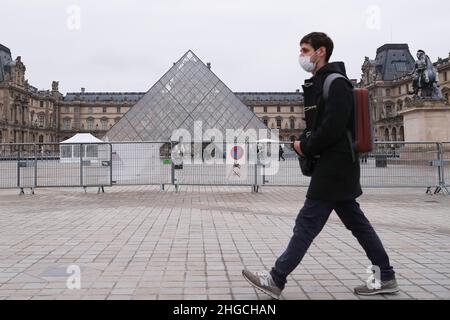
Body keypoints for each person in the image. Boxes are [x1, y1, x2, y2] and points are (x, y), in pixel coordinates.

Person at [242, 32, 398, 299]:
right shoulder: (323, 83)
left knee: (307, 223)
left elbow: (333, 128)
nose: (301, 55)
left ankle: (276, 278)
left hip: (334, 166)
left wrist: (306, 146)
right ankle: (386, 276)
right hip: (337, 164)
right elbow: (318, 125)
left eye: (305, 50)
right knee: (357, 223)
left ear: (321, 51)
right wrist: (304, 139)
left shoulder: (335, 83)